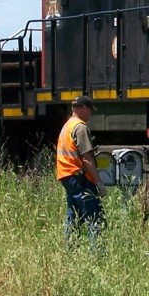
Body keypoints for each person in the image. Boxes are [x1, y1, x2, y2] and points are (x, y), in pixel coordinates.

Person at [56, 95, 104, 239]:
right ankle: (97, 255)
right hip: (80, 179)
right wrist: (99, 183)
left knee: (74, 216)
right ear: (83, 108)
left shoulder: (67, 126)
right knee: (94, 217)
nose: (91, 114)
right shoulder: (80, 128)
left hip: (67, 177)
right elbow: (87, 159)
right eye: (90, 110)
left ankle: (69, 251)